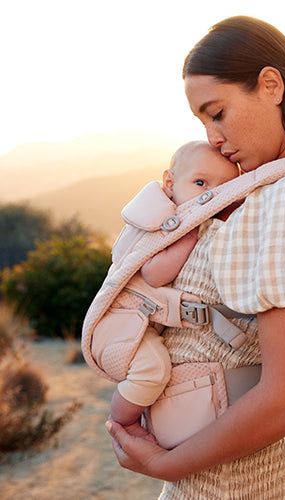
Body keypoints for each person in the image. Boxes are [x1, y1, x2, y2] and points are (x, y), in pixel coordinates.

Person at [105, 15, 285, 499]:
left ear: (271, 85)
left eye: (217, 112)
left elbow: (284, 400)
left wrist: (166, 464)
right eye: (202, 122)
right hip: (229, 473)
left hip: (243, 483)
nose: (213, 137)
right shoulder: (270, 190)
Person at [95, 140, 239, 437]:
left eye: (223, 190)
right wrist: (190, 236)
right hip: (119, 324)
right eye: (200, 183)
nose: (210, 195)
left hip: (140, 324)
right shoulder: (166, 222)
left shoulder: (180, 213)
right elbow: (154, 273)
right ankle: (123, 425)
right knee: (153, 370)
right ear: (170, 183)